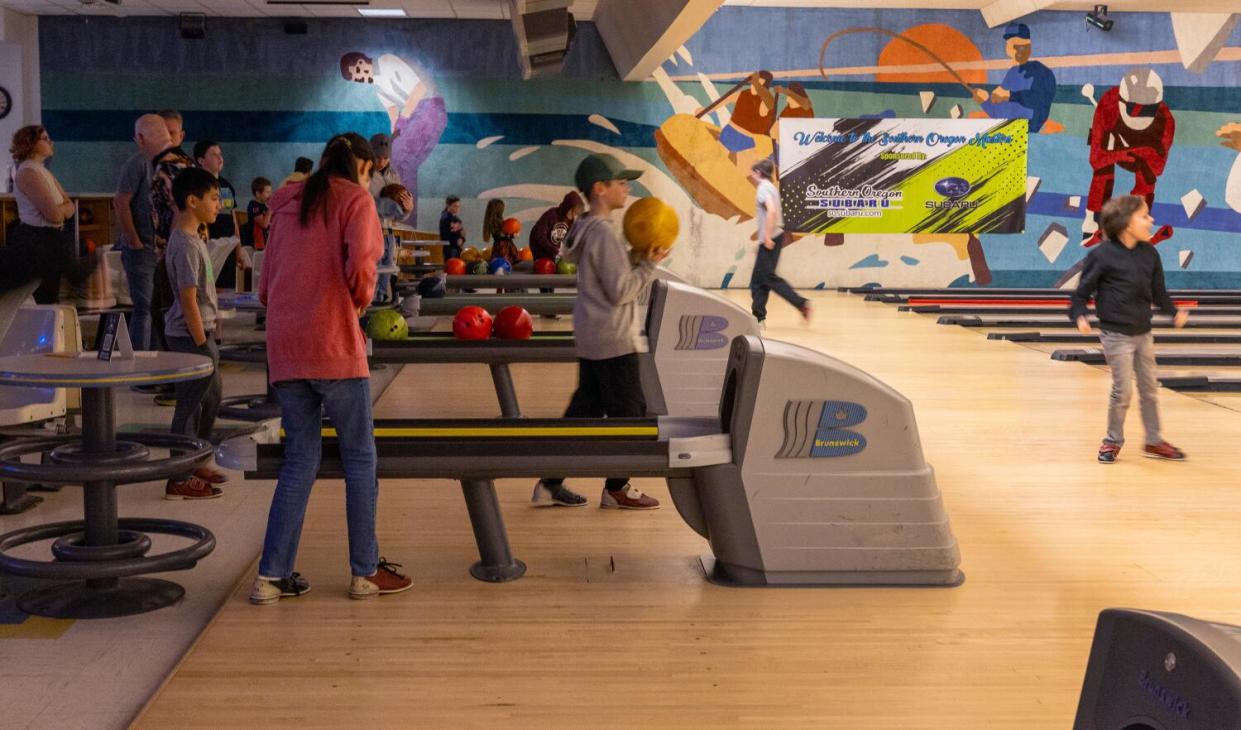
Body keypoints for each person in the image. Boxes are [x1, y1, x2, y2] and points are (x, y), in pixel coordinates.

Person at [252, 132, 412, 605]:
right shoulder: (355, 201)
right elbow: (364, 265)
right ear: (362, 166)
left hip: (286, 348)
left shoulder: (285, 205)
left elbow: (266, 282)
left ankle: (271, 576)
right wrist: (358, 304)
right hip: (334, 345)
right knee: (360, 458)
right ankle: (364, 572)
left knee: (300, 460)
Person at [531, 153, 668, 510]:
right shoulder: (604, 233)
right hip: (614, 340)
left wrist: (637, 259)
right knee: (632, 416)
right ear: (600, 189)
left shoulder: (584, 228)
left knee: (583, 413)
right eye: (621, 182)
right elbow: (622, 290)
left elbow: (611, 278)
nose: (627, 187)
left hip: (594, 336)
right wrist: (649, 265)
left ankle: (549, 483)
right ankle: (617, 487)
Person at [1070, 195, 1188, 464]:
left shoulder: (1150, 253)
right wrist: (1080, 317)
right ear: (1126, 223)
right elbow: (1080, 295)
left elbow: (1159, 294)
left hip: (1143, 333)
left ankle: (1154, 441)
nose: (1151, 220)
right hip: (1116, 336)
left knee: (1149, 388)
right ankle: (1112, 441)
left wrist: (1173, 313)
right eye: (1145, 216)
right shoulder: (1101, 255)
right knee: (1122, 391)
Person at [162, 167, 228, 499]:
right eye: (214, 198)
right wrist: (203, 342)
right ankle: (179, 476)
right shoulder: (186, 245)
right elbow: (188, 300)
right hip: (188, 336)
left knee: (212, 397)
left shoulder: (195, 238)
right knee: (189, 406)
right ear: (192, 201)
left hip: (199, 332)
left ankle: (197, 457)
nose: (219, 205)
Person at [1, 125, 95, 304]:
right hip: (37, 239)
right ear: (31, 143)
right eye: (45, 139)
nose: (51, 142)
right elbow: (55, 215)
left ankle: (75, 272)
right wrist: (62, 208)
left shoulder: (43, 171)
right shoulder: (28, 171)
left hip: (51, 239)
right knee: (42, 295)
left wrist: (62, 208)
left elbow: (70, 205)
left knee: (50, 295)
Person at [115, 116, 165, 349]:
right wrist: (133, 240)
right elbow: (121, 202)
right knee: (144, 308)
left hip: (160, 248)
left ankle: (157, 361)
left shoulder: (165, 164)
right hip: (142, 248)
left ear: (141, 138)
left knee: (157, 308)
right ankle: (141, 365)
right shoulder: (138, 163)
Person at [148, 113, 194, 354]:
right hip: (179, 251)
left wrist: (172, 253)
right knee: (168, 314)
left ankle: (179, 378)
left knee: (169, 316)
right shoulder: (182, 161)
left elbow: (181, 208)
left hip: (174, 254)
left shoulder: (170, 165)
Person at [748, 159, 810, 328]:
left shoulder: (763, 189)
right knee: (760, 280)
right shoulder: (772, 188)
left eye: (753, 172)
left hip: (771, 238)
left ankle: (800, 304)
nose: (751, 176)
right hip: (775, 236)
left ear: (759, 173)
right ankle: (758, 317)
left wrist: (766, 238)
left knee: (765, 279)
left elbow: (772, 212)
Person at [974, 23, 1056, 135]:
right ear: (1008, 49)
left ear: (1029, 46)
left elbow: (1038, 107)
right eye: (1013, 46)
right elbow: (999, 111)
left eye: (1021, 45)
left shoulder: (1042, 72)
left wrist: (1009, 95)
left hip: (1027, 131)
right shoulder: (1012, 73)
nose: (1017, 50)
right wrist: (985, 101)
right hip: (1010, 132)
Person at [367, 133, 412, 220]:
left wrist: (407, 210)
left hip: (389, 231)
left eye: (386, 157)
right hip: (369, 228)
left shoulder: (394, 176)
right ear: (370, 155)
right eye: (377, 157)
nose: (381, 162)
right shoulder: (364, 175)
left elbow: (397, 216)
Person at [529, 191, 583, 261]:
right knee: (544, 267)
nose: (573, 215)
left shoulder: (571, 220)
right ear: (566, 206)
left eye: (575, 212)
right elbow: (539, 235)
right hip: (539, 247)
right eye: (572, 211)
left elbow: (569, 239)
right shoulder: (552, 214)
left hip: (553, 249)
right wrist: (554, 250)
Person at [245, 177, 272, 250]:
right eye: (267, 192)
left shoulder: (265, 206)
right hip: (257, 243)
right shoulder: (253, 206)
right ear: (258, 194)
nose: (270, 195)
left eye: (270, 192)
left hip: (266, 241)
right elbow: (264, 224)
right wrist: (271, 209)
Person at [439, 195, 465, 260]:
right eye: (455, 206)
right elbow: (444, 236)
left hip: (458, 248)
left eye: (458, 206)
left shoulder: (458, 220)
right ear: (448, 205)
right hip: (450, 249)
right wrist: (456, 241)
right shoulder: (445, 219)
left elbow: (461, 233)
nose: (457, 208)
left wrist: (462, 239)